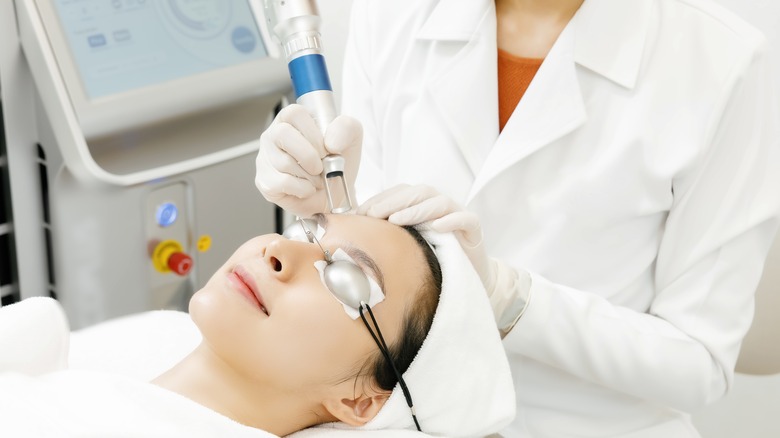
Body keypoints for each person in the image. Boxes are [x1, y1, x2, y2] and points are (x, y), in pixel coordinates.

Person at [254, 0, 780, 436]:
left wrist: (511, 298)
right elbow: (363, 268)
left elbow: (699, 366)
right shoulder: (395, 12)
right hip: (408, 413)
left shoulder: (721, 61)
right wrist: (316, 213)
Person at [0, 214, 515, 437]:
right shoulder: (119, 359)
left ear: (360, 400)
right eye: (307, 230)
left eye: (346, 276)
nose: (280, 250)